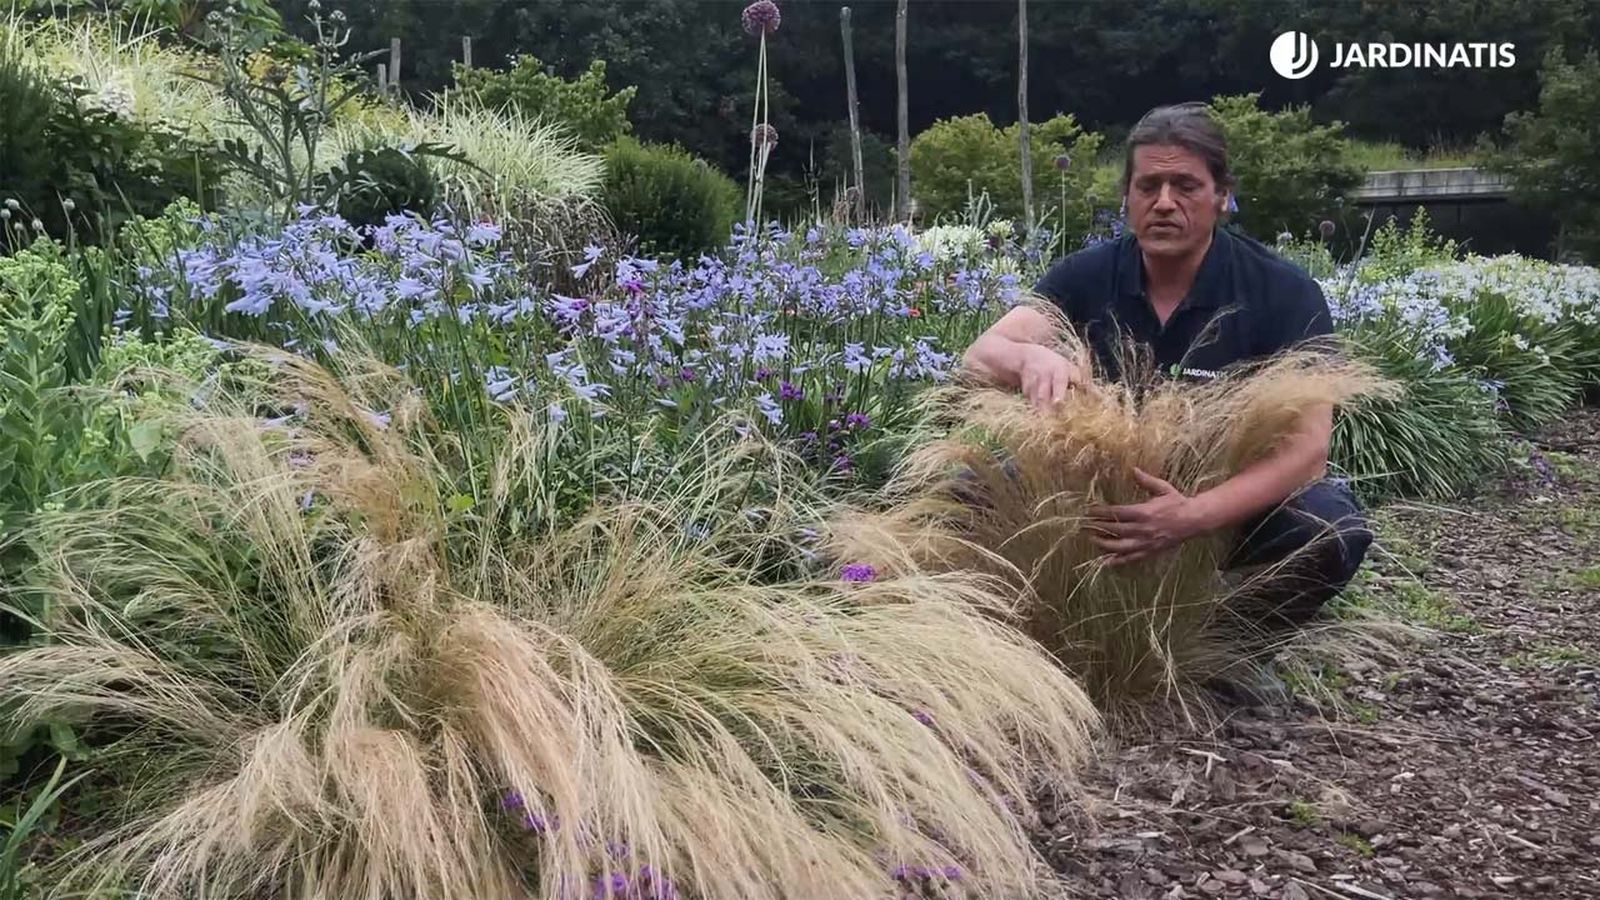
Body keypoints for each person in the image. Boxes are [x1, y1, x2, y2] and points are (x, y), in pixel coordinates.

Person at [961, 101, 1371, 629]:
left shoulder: (1283, 292)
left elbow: (1309, 451)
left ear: (1223, 196)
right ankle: (1016, 630)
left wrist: (1191, 517)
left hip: (1227, 500)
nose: (1164, 203)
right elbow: (980, 355)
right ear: (1126, 198)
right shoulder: (1086, 276)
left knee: (1329, 529)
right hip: (1099, 492)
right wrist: (1027, 356)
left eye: (1186, 186)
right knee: (965, 494)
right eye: (1148, 186)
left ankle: (1228, 647)